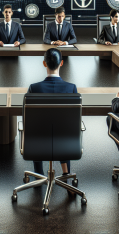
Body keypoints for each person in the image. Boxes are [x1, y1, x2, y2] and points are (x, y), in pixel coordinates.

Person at [27, 48, 76, 177]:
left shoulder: (34, 88)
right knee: (64, 129)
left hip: (39, 142)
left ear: (44, 63)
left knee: (35, 130)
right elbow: (73, 121)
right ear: (61, 63)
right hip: (65, 142)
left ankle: (38, 173)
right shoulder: (71, 88)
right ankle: (66, 173)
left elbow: (28, 119)